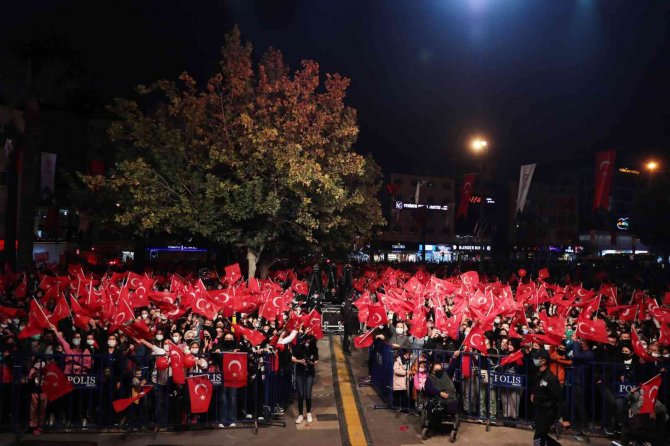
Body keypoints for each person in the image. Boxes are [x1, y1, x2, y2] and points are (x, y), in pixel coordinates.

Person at [530, 349, 562, 446]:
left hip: (548, 412)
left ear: (543, 361)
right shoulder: (539, 373)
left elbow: (560, 398)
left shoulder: (551, 378)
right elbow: (537, 387)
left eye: (537, 358)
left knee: (538, 438)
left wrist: (565, 418)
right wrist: (533, 394)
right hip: (540, 410)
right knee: (542, 436)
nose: (534, 360)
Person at [291, 327, 318, 424]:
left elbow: (316, 359)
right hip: (300, 372)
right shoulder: (297, 346)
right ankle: (300, 414)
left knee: (308, 395)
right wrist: (300, 361)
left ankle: (309, 413)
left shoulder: (313, 347)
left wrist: (311, 362)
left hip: (309, 372)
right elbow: (292, 358)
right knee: (301, 395)